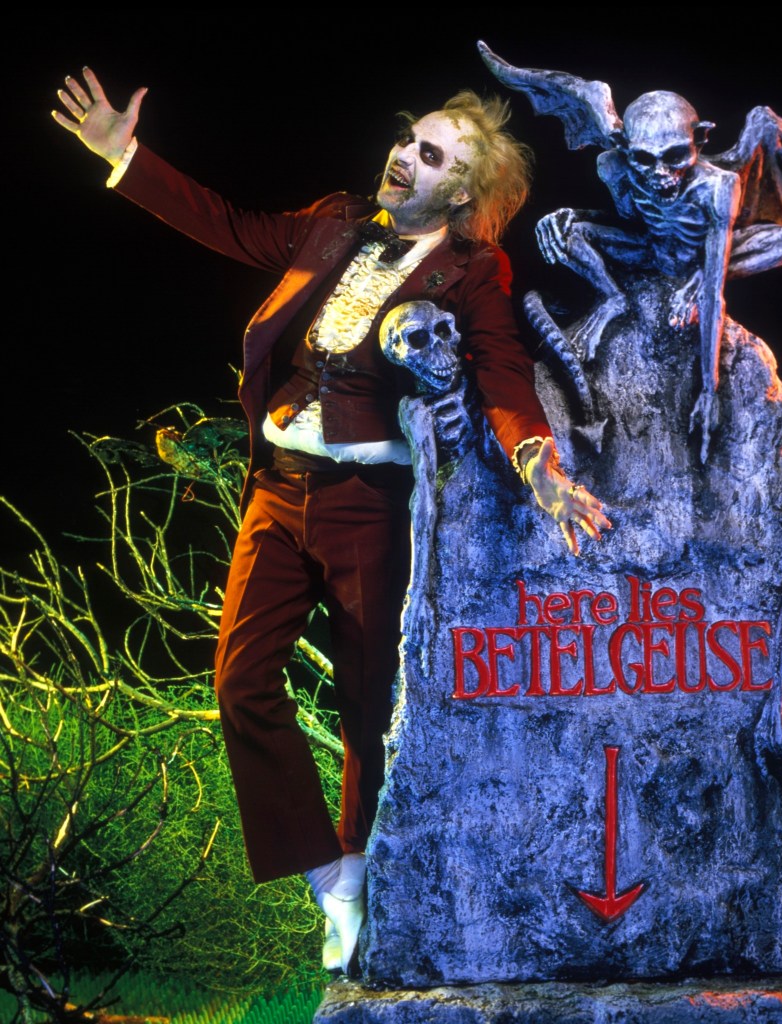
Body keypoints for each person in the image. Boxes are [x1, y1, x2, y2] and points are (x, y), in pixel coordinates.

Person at [52, 66, 612, 974]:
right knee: (240, 682)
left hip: (369, 504)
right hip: (278, 486)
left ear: (460, 194)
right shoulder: (335, 220)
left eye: (432, 156)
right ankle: (327, 874)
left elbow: (504, 374)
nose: (405, 157)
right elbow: (230, 226)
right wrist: (127, 158)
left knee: (366, 703)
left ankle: (364, 871)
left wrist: (535, 463)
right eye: (408, 139)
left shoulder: (473, 271)